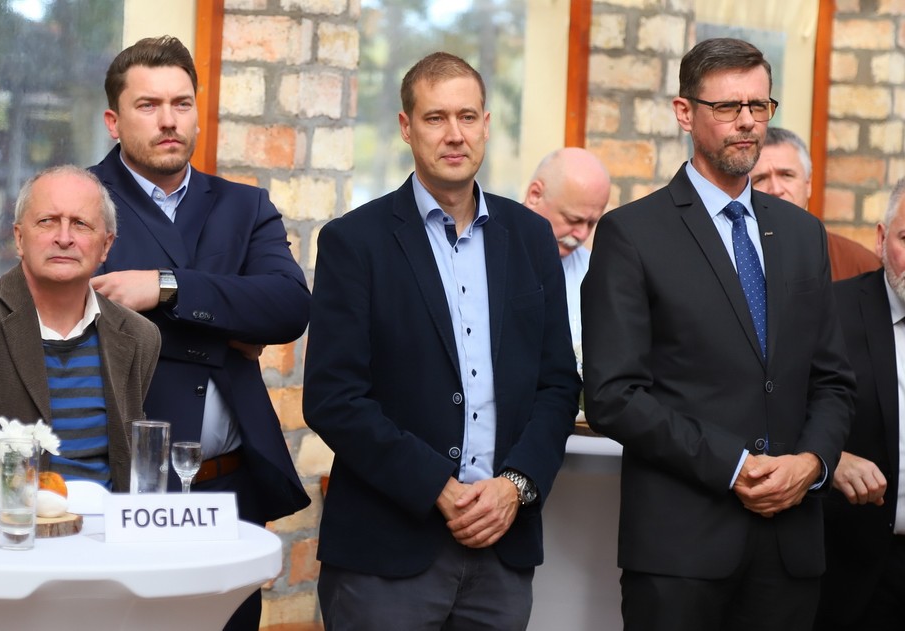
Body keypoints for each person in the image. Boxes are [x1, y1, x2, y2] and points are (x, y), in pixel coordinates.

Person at [582, 37, 855, 631]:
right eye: (728, 107)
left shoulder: (803, 234)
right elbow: (612, 395)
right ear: (685, 113)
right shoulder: (632, 234)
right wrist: (733, 465)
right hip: (680, 553)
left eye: (759, 105)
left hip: (790, 548)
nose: (748, 122)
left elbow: (834, 380)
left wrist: (812, 462)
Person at [303, 52, 580, 630]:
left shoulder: (531, 237)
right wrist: (437, 487)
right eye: (435, 118)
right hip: (387, 554)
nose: (455, 134)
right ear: (407, 128)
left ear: (486, 124)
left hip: (502, 548)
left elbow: (558, 384)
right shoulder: (355, 242)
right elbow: (333, 398)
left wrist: (516, 486)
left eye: (467, 116)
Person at [86, 36, 310, 630]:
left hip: (226, 490)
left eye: (181, 103)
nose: (169, 120)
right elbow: (75, 324)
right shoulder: (79, 202)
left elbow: (289, 307)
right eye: (148, 105)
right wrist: (228, 322)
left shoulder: (244, 206)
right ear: (113, 121)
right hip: (120, 491)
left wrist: (164, 288)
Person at [0, 166, 160, 489]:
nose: (64, 238)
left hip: (102, 519)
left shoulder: (138, 336)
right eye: (48, 221)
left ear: (106, 245)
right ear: (19, 238)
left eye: (81, 224)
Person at [814, 178, 905, 630]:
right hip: (854, 574)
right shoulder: (832, 311)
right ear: (881, 238)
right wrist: (830, 457)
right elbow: (775, 410)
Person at [750, 126, 880, 280]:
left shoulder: (858, 264)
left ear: (808, 184)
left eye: (787, 175)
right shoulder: (734, 259)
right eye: (760, 179)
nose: (776, 189)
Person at [522, 147, 611, 354]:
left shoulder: (594, 272)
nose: (582, 234)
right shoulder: (490, 257)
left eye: (591, 223)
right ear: (535, 195)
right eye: (573, 220)